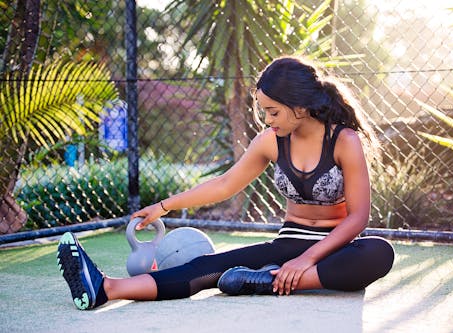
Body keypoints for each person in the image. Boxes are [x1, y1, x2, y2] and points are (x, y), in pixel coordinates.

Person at [56, 56, 395, 310]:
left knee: (378, 252)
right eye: (264, 111)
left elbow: (358, 218)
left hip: (336, 247)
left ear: (301, 106)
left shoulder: (343, 140)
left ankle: (268, 281)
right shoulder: (270, 141)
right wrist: (162, 206)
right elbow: (224, 184)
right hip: (289, 242)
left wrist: (306, 261)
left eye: (274, 111)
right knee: (206, 267)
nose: (268, 120)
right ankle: (107, 288)